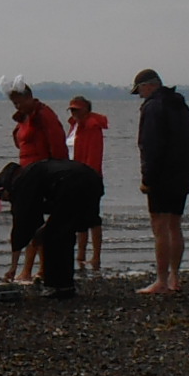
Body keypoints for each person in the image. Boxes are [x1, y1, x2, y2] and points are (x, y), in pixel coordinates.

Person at [132, 70, 189, 295]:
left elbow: (150, 146)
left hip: (161, 175)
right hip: (183, 173)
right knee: (175, 224)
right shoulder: (180, 104)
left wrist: (147, 179)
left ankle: (161, 280)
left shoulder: (153, 107)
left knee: (160, 226)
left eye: (139, 90)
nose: (140, 95)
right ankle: (174, 277)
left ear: (148, 86)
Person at [3, 157, 104, 297]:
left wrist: (13, 267)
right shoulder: (36, 170)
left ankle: (58, 285)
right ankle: (65, 284)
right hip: (92, 179)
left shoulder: (24, 182)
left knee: (54, 237)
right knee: (65, 232)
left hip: (70, 183)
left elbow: (21, 225)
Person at [65, 94, 109, 279]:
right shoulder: (74, 126)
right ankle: (81, 255)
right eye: (72, 110)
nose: (74, 113)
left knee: (92, 218)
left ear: (86, 109)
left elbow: (94, 154)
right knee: (78, 219)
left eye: (77, 109)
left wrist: (89, 176)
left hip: (89, 177)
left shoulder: (92, 126)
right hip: (73, 175)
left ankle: (96, 256)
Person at [2, 76, 69, 169]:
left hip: (42, 169)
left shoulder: (44, 115)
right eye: (15, 104)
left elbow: (58, 144)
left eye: (20, 102)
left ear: (29, 98)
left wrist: (60, 168)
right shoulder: (22, 119)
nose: (18, 106)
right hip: (26, 169)